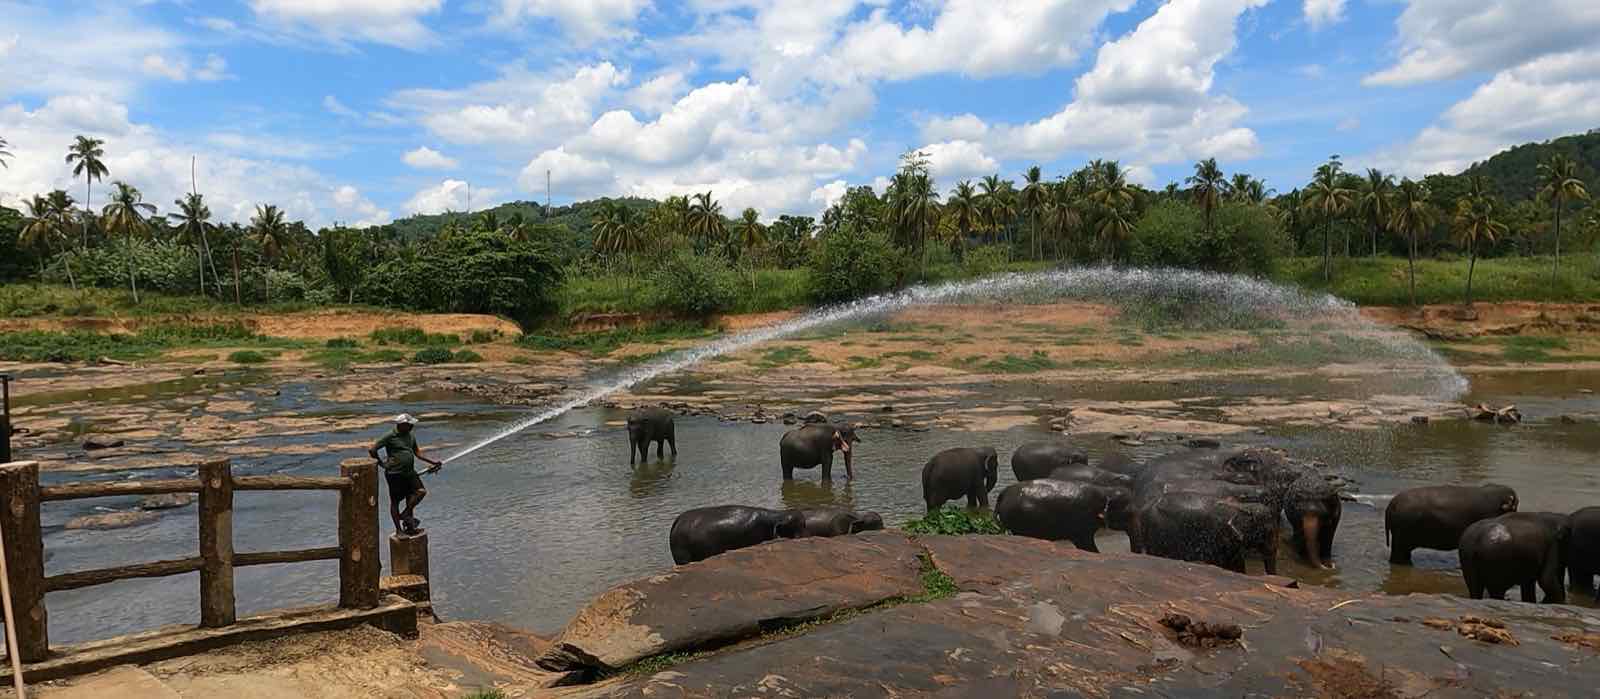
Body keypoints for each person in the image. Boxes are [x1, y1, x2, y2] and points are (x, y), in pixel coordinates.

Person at [369, 414, 440, 536]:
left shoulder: (410, 435)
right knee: (395, 502)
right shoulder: (390, 436)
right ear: (402, 425)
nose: (412, 426)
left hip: (409, 472)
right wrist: (382, 464)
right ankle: (399, 530)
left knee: (420, 492)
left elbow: (417, 453)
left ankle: (407, 518)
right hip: (394, 474)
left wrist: (433, 462)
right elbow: (373, 450)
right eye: (410, 424)